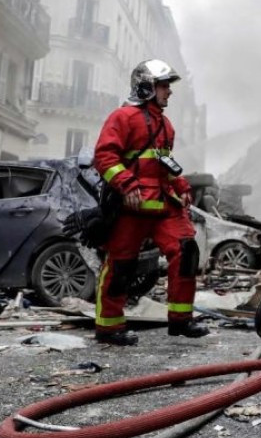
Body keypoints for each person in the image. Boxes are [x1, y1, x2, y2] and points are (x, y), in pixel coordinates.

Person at [91, 59, 208, 346]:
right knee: (121, 265)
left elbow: (163, 163)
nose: (170, 91)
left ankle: (181, 319)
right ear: (146, 88)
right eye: (164, 86)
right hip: (131, 207)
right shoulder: (123, 117)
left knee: (186, 250)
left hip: (163, 205)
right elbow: (104, 157)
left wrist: (181, 186)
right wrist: (126, 184)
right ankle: (109, 326)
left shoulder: (165, 125)